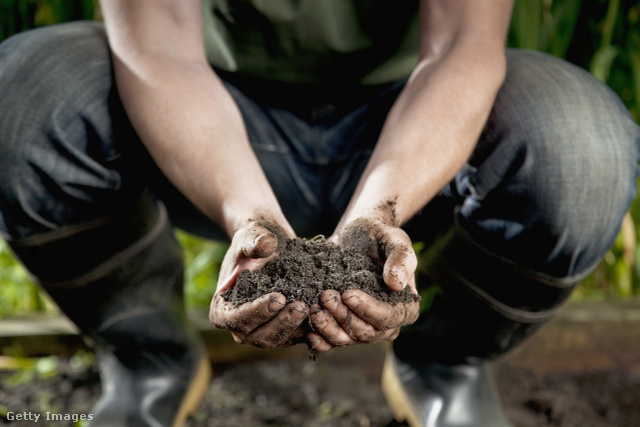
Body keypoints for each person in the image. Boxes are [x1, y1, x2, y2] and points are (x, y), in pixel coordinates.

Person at [0, 0, 638, 426]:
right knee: (21, 95)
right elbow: (159, 53)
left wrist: (377, 216)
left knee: (582, 146)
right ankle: (150, 356)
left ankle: (446, 360)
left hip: (414, 131)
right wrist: (249, 213)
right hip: (208, 126)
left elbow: (461, 48)